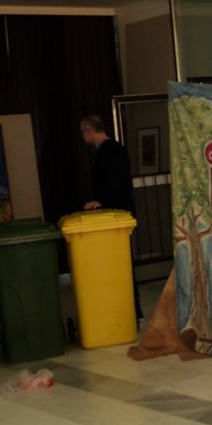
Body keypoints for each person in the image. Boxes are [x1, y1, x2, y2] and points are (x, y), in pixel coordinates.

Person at [80, 114, 143, 321]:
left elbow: (116, 180)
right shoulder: (113, 149)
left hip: (117, 211)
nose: (83, 137)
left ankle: (132, 307)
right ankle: (128, 306)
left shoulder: (110, 150)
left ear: (89, 131)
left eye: (83, 133)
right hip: (117, 210)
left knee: (121, 261)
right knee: (119, 260)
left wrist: (100, 200)